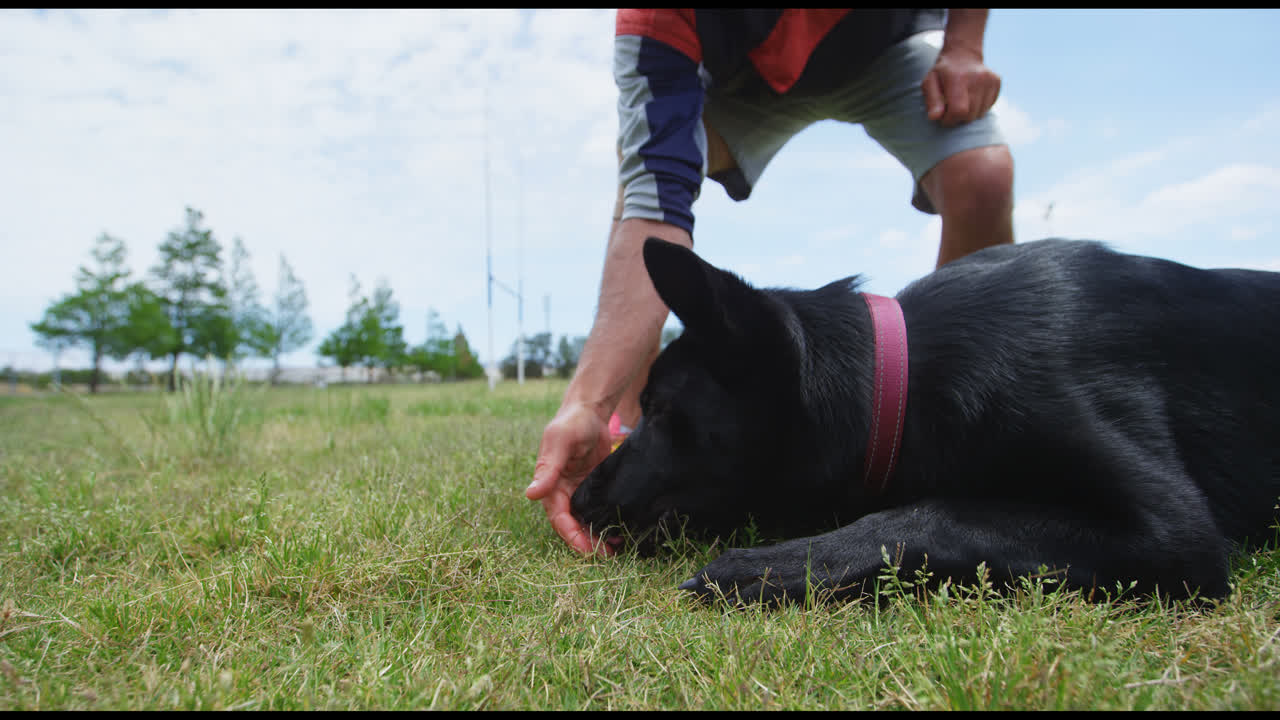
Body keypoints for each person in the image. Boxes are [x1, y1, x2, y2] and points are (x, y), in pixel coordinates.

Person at [526, 9, 1015, 555]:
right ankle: (640, 421)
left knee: (983, 174)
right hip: (745, 80)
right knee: (644, 172)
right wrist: (587, 404)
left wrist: (964, 47)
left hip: (883, 45)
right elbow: (654, 209)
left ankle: (965, 427)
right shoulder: (655, 19)